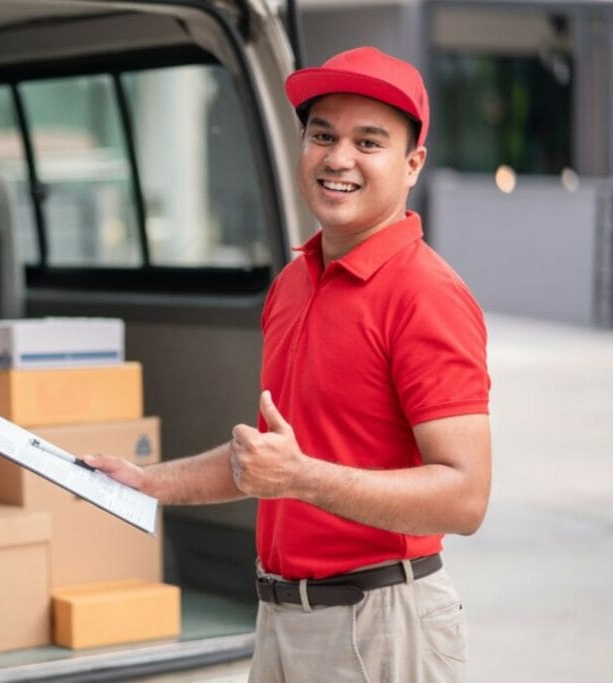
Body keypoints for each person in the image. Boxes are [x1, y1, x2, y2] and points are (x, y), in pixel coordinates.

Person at [84, 46, 491, 682]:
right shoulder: (296, 280)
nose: (338, 158)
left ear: (413, 164)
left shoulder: (426, 293)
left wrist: (302, 479)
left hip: (378, 626)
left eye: (368, 141)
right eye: (322, 135)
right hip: (280, 619)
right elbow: (270, 461)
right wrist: (148, 483)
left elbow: (465, 497)